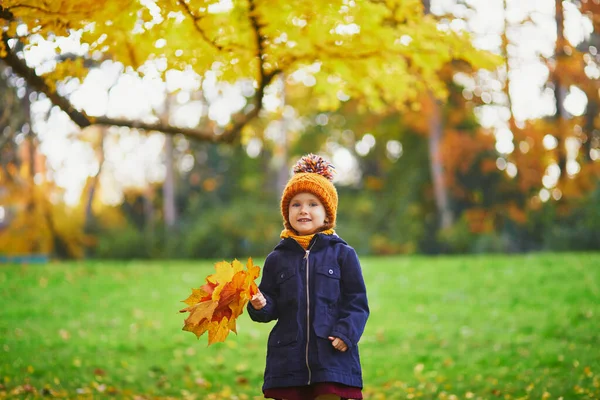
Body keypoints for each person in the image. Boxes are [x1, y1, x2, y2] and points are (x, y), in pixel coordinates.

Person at [247, 153, 370, 400]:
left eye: (313, 204)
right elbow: (269, 307)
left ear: (327, 215)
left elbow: (357, 302)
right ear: (287, 213)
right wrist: (260, 304)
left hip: (331, 357)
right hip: (288, 362)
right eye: (296, 204)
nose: (304, 210)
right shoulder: (277, 258)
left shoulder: (342, 254)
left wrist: (346, 333)